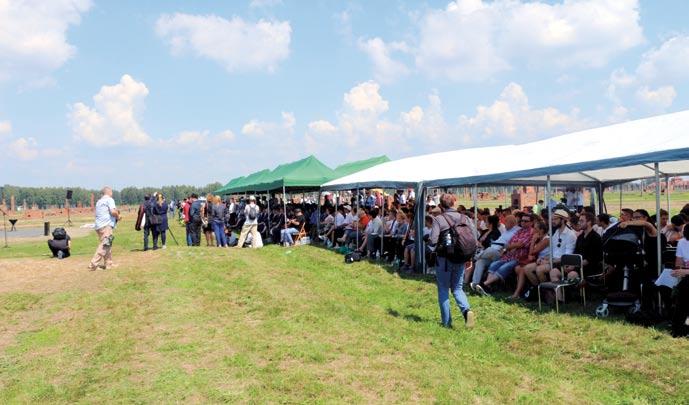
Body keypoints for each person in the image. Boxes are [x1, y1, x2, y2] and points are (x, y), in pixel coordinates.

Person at [429, 193, 475, 328]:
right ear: (454, 203)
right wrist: (469, 257)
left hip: (444, 259)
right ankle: (467, 311)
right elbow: (473, 238)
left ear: (440, 205)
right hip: (461, 257)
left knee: (443, 288)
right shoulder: (465, 217)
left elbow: (433, 240)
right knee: (457, 288)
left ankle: (447, 322)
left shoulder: (439, 219)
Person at [475, 213, 535, 295]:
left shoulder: (531, 232)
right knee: (493, 264)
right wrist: (510, 247)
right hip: (508, 255)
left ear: (531, 222)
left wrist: (509, 247)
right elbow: (511, 242)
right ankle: (487, 287)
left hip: (519, 258)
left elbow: (520, 244)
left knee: (503, 266)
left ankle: (484, 284)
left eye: (526, 221)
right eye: (522, 221)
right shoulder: (520, 231)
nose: (523, 222)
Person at [89, 186, 120, 271]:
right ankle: (93, 264)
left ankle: (108, 263)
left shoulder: (99, 201)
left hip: (99, 226)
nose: (112, 193)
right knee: (105, 245)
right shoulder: (110, 200)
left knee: (107, 245)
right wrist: (118, 216)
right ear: (109, 192)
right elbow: (113, 212)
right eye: (111, 191)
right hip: (106, 225)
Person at [671, 225, 689, 337]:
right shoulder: (682, 242)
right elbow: (678, 264)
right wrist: (678, 271)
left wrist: (686, 272)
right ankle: (680, 328)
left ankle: (680, 328)